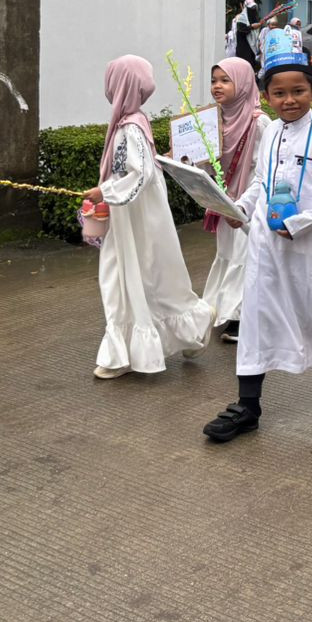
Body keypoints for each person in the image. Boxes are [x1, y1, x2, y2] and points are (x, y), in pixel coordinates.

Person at [203, 31, 312, 443]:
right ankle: (248, 405)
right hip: (265, 242)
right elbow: (261, 181)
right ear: (267, 96)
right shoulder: (271, 133)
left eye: (298, 91)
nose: (289, 100)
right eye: (279, 93)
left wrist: (302, 222)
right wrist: (239, 208)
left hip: (310, 245)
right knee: (257, 316)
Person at [84, 55, 213, 379]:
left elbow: (138, 174)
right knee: (129, 278)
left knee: (138, 278)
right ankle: (131, 349)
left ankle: (135, 349)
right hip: (131, 217)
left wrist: (105, 192)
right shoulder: (131, 123)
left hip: (137, 218)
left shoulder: (130, 128)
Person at [201, 57, 273, 345]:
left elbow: (264, 170)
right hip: (224, 201)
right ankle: (227, 309)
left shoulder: (260, 123)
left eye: (225, 80)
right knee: (229, 254)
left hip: (249, 204)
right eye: (214, 80)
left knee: (245, 256)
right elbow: (208, 164)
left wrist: (244, 204)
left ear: (243, 83)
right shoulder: (213, 120)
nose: (217, 86)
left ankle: (243, 316)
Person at [229, 0, 263, 71]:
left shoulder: (253, 17)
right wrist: (251, 27)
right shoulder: (242, 17)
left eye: (254, 8)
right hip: (243, 49)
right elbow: (241, 29)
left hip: (251, 50)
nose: (252, 10)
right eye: (251, 8)